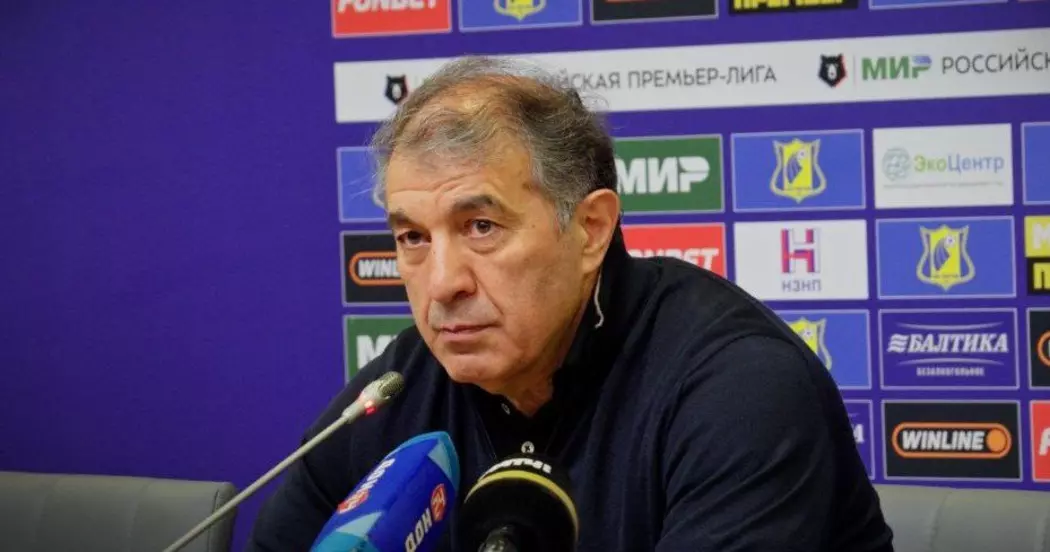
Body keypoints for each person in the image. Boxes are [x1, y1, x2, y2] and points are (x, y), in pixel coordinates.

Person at [246, 56, 894, 551]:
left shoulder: (739, 387)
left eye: (481, 227)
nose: (442, 283)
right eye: (413, 237)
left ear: (590, 230)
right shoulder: (400, 390)